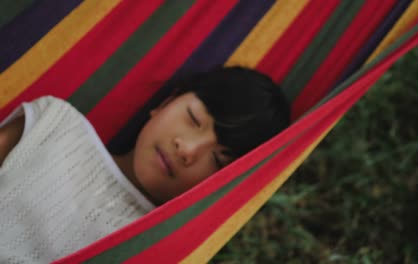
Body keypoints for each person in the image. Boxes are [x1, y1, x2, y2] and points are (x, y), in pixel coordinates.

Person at [0, 66, 290, 263]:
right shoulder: (53, 127)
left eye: (217, 160)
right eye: (193, 119)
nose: (187, 150)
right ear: (165, 103)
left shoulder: (160, 250)